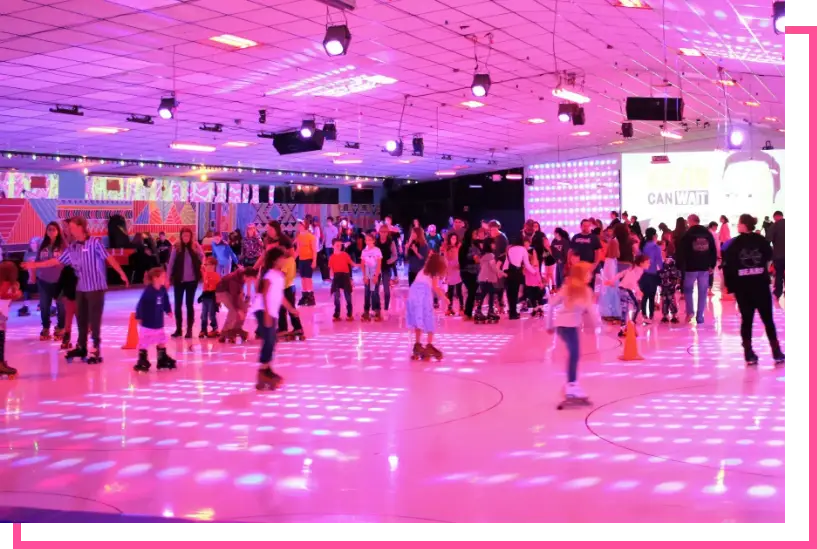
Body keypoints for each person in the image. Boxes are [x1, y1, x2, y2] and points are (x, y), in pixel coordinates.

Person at [23, 216, 129, 363]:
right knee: (82, 319)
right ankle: (82, 346)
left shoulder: (94, 243)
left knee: (94, 319)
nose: (69, 230)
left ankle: (96, 349)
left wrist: (121, 273)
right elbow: (56, 261)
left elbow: (108, 258)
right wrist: (34, 265)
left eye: (72, 227)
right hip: (81, 288)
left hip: (96, 287)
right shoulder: (72, 247)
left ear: (81, 227)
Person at [723, 214, 786, 366]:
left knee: (747, 321)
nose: (737, 225)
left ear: (744, 225)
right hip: (761, 285)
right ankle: (776, 351)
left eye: (739, 223)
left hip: (743, 288)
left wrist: (730, 287)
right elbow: (769, 256)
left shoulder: (734, 244)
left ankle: (748, 352)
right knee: (768, 320)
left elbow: (728, 266)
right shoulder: (761, 241)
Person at [546, 261, 599, 400]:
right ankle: (571, 385)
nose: (591, 276)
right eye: (588, 273)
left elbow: (591, 311)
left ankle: (572, 383)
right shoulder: (571, 289)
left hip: (568, 326)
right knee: (574, 353)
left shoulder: (581, 289)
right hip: (565, 326)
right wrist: (549, 325)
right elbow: (551, 304)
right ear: (581, 274)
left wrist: (599, 325)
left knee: (574, 353)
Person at [252, 247, 298, 391]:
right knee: (269, 340)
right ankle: (263, 370)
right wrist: (266, 314)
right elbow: (264, 294)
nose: (284, 260)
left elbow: (280, 296)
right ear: (275, 260)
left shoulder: (279, 276)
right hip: (262, 310)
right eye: (282, 258)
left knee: (272, 340)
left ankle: (266, 369)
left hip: (271, 312)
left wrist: (291, 309)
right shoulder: (270, 275)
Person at [406, 253, 449, 360]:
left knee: (418, 319)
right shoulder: (434, 272)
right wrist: (445, 298)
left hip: (413, 294)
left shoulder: (423, 270)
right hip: (424, 294)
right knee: (429, 318)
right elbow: (435, 287)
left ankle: (417, 345)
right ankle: (429, 345)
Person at [133, 267, 176, 372]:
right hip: (148, 322)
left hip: (158, 321)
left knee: (161, 340)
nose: (165, 279)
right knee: (144, 341)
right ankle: (142, 359)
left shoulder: (162, 289)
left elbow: (165, 300)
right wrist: (139, 316)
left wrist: (168, 310)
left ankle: (162, 358)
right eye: (163, 277)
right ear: (155, 278)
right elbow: (141, 304)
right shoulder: (148, 291)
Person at [677, 214, 717, 325]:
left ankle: (690, 312)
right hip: (704, 267)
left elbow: (681, 251)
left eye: (688, 221)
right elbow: (713, 250)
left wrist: (680, 266)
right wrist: (712, 265)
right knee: (703, 291)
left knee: (688, 289)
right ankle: (700, 316)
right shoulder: (707, 233)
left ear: (691, 221)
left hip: (691, 267)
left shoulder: (688, 234)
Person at [166, 227, 204, 339]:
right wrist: (167, 278)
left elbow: (203, 257)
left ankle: (189, 330)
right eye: (184, 235)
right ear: (181, 236)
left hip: (192, 281)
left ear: (191, 236)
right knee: (178, 305)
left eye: (188, 235)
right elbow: (171, 263)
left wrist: (202, 264)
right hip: (179, 280)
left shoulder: (195, 246)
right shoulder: (176, 247)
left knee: (189, 304)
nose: (186, 237)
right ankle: (178, 329)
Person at [33, 222, 66, 341]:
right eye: (49, 229)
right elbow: (36, 261)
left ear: (58, 231)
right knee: (44, 306)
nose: (51, 231)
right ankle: (45, 327)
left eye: (54, 229)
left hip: (60, 281)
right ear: (46, 231)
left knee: (61, 306)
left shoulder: (63, 245)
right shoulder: (42, 245)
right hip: (43, 280)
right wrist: (33, 276)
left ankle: (61, 327)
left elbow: (68, 260)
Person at [608, 254, 650, 337]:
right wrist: (638, 290)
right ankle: (631, 326)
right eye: (647, 262)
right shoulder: (638, 270)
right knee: (636, 307)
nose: (649, 264)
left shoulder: (633, 268)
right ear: (641, 263)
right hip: (626, 290)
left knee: (624, 310)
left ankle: (622, 330)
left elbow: (621, 274)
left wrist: (612, 280)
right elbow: (632, 280)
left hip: (621, 289)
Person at [215, 267, 257, 343]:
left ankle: (237, 328)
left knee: (244, 307)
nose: (250, 281)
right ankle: (225, 331)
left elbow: (244, 288)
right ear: (245, 276)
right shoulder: (233, 280)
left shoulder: (243, 276)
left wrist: (246, 297)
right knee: (233, 310)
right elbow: (234, 297)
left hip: (231, 291)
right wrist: (238, 310)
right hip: (222, 292)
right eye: (250, 279)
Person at [503, 236, 538, 320]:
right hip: (517, 272)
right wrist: (534, 272)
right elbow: (527, 264)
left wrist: (503, 273)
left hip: (508, 272)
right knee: (515, 293)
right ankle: (514, 313)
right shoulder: (523, 249)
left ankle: (511, 313)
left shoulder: (510, 249)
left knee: (509, 293)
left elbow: (506, 263)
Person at [277, 242, 305, 339]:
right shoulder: (291, 259)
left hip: (286, 288)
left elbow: (283, 274)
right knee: (289, 308)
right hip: (290, 286)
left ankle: (284, 329)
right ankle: (297, 328)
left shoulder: (287, 261)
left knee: (283, 309)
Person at [0, 261, 22, 377]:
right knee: (0, 338)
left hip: (2, 314)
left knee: (1, 337)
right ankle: (0, 365)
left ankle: (1, 362)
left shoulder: (6, 283)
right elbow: (2, 295)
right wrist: (14, 295)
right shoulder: (5, 283)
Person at [475, 239, 505, 323]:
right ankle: (489, 311)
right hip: (487, 279)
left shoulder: (483, 255)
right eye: (493, 244)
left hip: (483, 278)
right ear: (489, 245)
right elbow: (493, 268)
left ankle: (481, 310)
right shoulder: (490, 256)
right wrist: (502, 273)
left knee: (486, 294)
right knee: (490, 293)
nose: (494, 245)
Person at [639, 228, 663, 323]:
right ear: (653, 236)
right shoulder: (656, 247)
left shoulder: (642, 245)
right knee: (652, 295)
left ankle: (644, 314)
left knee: (644, 295)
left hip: (642, 273)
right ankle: (651, 315)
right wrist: (662, 270)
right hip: (652, 273)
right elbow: (659, 261)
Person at [569, 219, 602, 289]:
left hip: (589, 266)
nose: (586, 227)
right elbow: (570, 251)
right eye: (584, 226)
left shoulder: (594, 237)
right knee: (578, 286)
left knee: (589, 286)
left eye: (588, 226)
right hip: (577, 266)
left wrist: (595, 264)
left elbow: (598, 252)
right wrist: (569, 262)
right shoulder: (575, 237)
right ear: (581, 226)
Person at [328, 239, 356, 321]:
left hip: (345, 277)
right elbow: (331, 269)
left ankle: (349, 314)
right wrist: (331, 277)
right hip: (336, 277)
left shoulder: (345, 254)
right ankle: (337, 314)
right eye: (337, 245)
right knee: (336, 297)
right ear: (333, 246)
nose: (339, 247)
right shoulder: (331, 257)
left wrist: (361, 264)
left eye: (340, 245)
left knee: (348, 296)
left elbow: (352, 263)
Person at [360, 233, 383, 322]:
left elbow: (379, 263)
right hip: (367, 272)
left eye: (370, 240)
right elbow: (362, 264)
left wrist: (376, 275)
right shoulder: (364, 251)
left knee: (375, 292)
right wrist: (364, 276)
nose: (368, 241)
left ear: (373, 241)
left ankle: (377, 310)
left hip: (375, 272)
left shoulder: (377, 250)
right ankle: (366, 311)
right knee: (367, 293)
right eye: (366, 240)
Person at [294, 220, 318, 307]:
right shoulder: (299, 237)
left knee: (308, 278)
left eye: (301, 225)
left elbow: (314, 250)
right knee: (303, 278)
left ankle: (310, 296)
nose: (299, 227)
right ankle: (304, 296)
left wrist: (314, 261)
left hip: (309, 260)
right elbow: (298, 250)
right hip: (301, 260)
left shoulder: (311, 237)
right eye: (299, 225)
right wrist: (292, 259)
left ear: (305, 226)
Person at [598, 227, 620, 320]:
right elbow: (610, 273)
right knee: (610, 298)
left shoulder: (610, 259)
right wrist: (612, 282)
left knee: (610, 297)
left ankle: (610, 313)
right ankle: (609, 314)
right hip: (611, 283)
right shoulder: (610, 260)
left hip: (610, 283)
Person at [375, 225, 398, 311]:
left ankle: (386, 308)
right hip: (377, 267)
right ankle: (377, 308)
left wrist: (389, 261)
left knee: (386, 290)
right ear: (379, 232)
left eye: (385, 232)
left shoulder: (391, 242)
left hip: (386, 267)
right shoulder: (376, 242)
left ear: (387, 233)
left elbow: (395, 255)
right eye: (382, 232)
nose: (383, 234)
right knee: (375, 289)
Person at [460, 228, 481, 319]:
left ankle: (469, 313)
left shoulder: (476, 244)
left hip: (476, 272)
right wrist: (473, 260)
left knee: (473, 292)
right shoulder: (464, 247)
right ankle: (467, 313)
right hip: (467, 272)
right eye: (474, 233)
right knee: (471, 291)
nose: (476, 235)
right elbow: (462, 261)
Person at [765, 210, 786, 302]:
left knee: (779, 274)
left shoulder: (774, 225)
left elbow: (768, 240)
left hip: (778, 255)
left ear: (775, 217)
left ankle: (778, 293)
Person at [55, 264, 78, 349]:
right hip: (71, 298)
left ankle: (78, 340)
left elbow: (60, 283)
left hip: (78, 298)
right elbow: (60, 282)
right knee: (69, 320)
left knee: (76, 320)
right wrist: (56, 294)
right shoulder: (67, 269)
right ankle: (67, 339)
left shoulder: (82, 267)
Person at [198, 257, 220, 338]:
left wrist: (218, 301)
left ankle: (215, 329)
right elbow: (201, 267)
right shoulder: (205, 273)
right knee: (203, 314)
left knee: (211, 314)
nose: (206, 266)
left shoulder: (216, 276)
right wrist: (203, 259)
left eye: (207, 265)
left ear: (213, 266)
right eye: (206, 264)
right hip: (205, 297)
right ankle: (203, 329)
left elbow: (218, 289)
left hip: (212, 297)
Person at [443, 232, 463, 315]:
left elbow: (462, 257)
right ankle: (449, 308)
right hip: (450, 269)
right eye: (452, 238)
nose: (454, 240)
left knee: (459, 290)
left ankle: (461, 308)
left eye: (455, 238)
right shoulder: (446, 247)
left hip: (458, 269)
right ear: (450, 239)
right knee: (450, 290)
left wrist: (461, 264)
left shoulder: (459, 247)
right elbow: (445, 259)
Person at [524, 247, 545, 317]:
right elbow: (525, 273)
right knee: (533, 297)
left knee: (537, 296)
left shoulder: (534, 263)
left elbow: (537, 273)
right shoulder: (526, 264)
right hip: (530, 283)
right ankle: (536, 309)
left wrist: (540, 282)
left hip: (535, 283)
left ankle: (539, 309)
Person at [658, 257, 681, 324]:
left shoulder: (674, 271)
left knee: (671, 302)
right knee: (665, 302)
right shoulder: (662, 271)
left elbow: (678, 278)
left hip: (671, 289)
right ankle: (665, 316)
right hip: (664, 289)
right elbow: (659, 278)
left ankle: (673, 316)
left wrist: (676, 284)